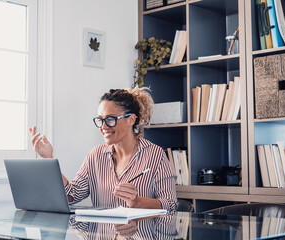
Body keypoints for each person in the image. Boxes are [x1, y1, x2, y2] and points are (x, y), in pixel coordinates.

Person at [29, 87, 177, 211]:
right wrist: (49, 158)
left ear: (131, 120)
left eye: (110, 119)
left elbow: (170, 205)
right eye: (100, 120)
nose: (104, 126)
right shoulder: (96, 155)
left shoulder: (154, 154)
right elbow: (71, 195)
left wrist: (137, 202)